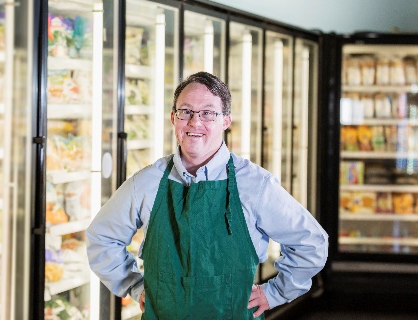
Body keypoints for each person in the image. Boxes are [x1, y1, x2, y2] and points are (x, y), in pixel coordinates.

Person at [87, 71, 328, 319]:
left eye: (208, 113)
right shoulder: (147, 182)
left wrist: (275, 293)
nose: (195, 122)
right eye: (186, 112)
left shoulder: (255, 185)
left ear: (226, 121)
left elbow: (311, 243)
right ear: (173, 117)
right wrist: (135, 286)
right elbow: (101, 237)